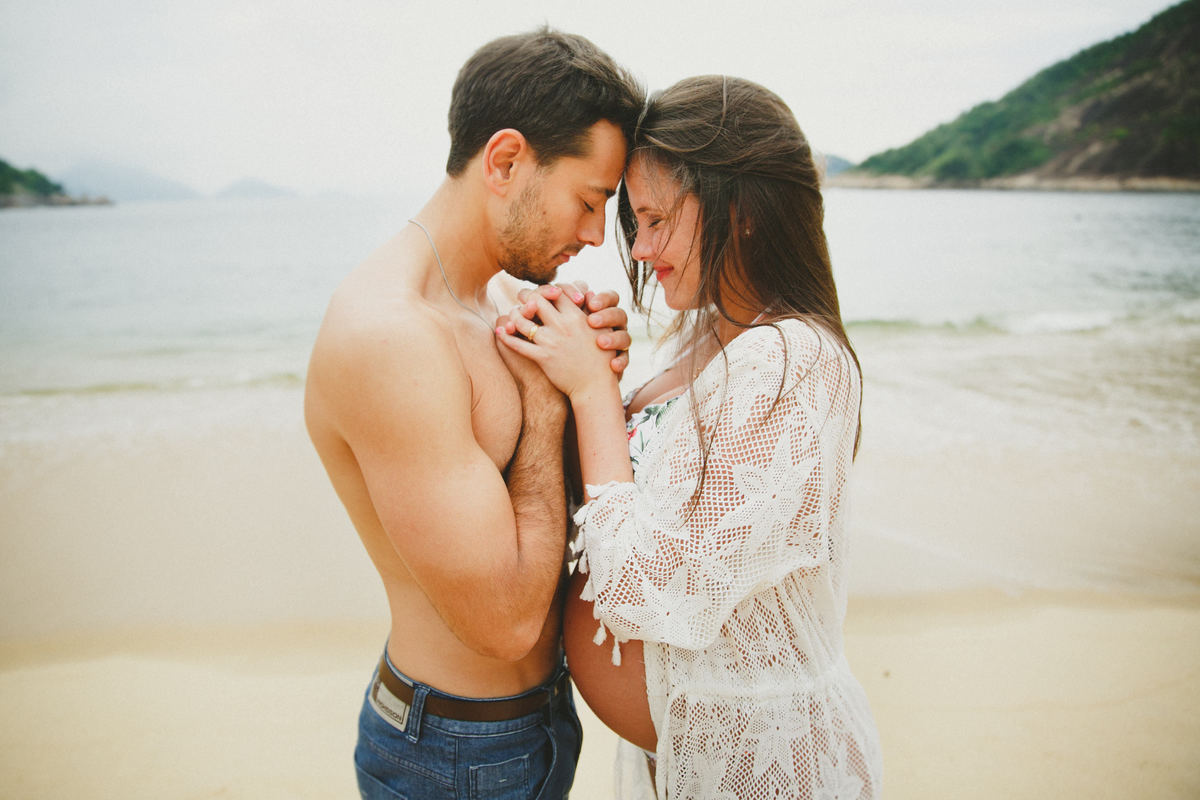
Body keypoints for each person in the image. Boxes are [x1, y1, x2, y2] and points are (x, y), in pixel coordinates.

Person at [497, 75, 883, 799]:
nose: (640, 249)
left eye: (655, 219)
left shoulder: (794, 362)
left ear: (739, 209)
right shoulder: (709, 334)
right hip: (682, 765)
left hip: (766, 771)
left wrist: (590, 393)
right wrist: (588, 364)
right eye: (633, 223)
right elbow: (640, 503)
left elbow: (656, 589)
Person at [304, 28, 644, 799]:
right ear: (505, 161)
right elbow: (505, 624)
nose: (595, 235)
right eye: (587, 202)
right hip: (454, 754)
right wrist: (543, 406)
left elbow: (550, 513)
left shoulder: (492, 301)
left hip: (531, 727)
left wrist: (590, 379)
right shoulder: (391, 337)